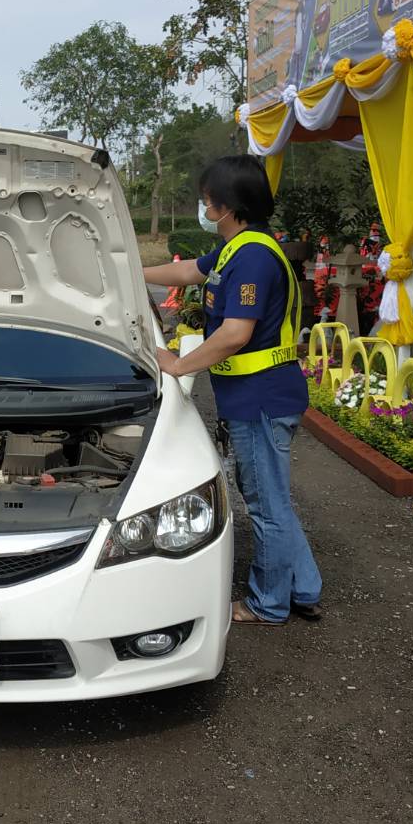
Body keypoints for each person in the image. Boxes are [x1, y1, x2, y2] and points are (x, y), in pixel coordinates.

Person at [143, 155, 322, 626]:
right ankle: (302, 587)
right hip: (256, 395)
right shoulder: (236, 249)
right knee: (270, 495)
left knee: (266, 504)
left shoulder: (253, 257)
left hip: (261, 398)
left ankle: (268, 604)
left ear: (225, 206)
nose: (204, 210)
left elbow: (235, 334)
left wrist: (177, 364)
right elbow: (188, 272)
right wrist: (131, 274)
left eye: (206, 202)